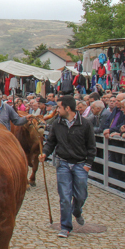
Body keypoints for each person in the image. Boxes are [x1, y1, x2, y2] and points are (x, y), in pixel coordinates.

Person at [40, 95, 96, 238]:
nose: (57, 110)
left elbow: (91, 146)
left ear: (67, 108)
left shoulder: (85, 124)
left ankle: (76, 211)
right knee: (64, 196)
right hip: (63, 162)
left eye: (59, 107)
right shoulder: (57, 124)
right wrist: (45, 153)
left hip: (80, 163)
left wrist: (88, 165)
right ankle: (65, 226)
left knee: (81, 194)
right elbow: (51, 142)